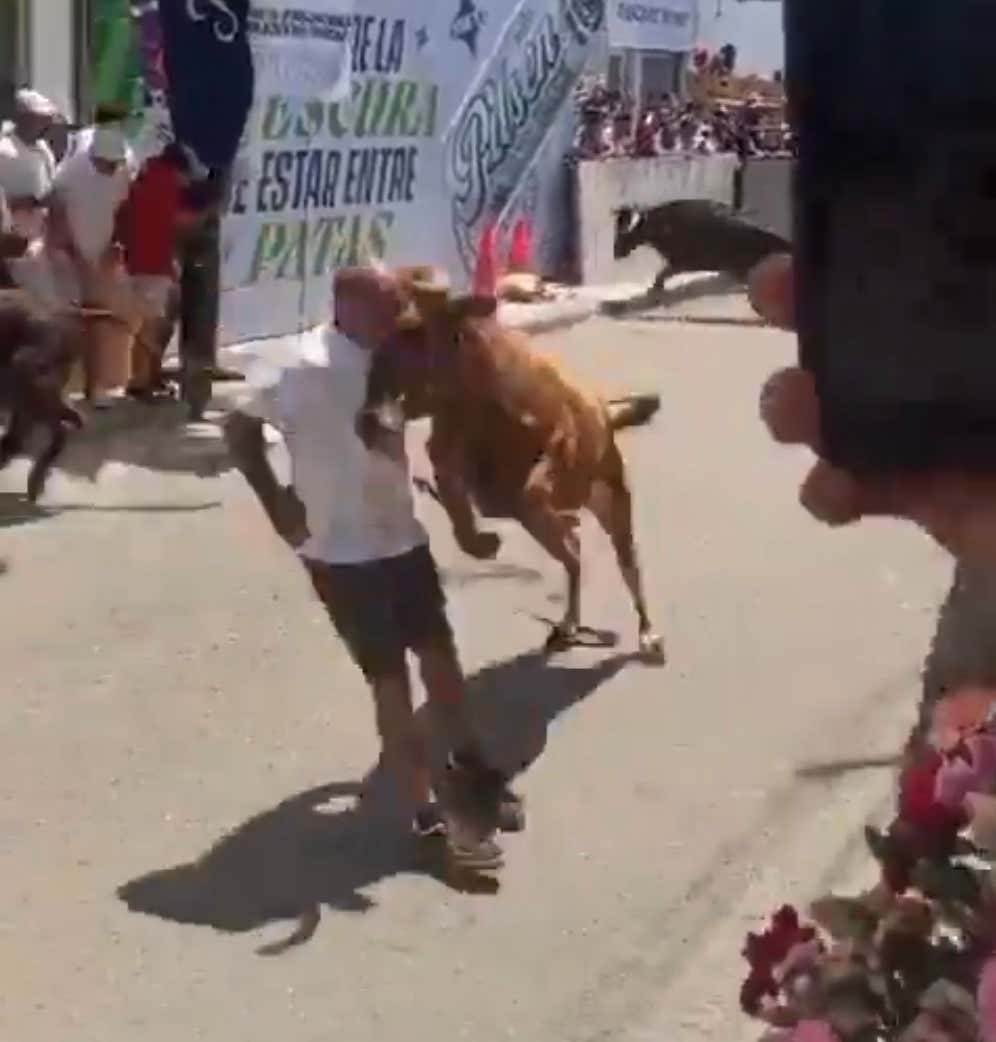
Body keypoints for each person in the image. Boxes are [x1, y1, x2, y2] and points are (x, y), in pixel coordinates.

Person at [224, 266, 524, 870]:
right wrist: (274, 497)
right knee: (391, 683)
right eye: (390, 304)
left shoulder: (392, 358)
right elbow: (239, 426)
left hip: (400, 539)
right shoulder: (299, 365)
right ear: (350, 306)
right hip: (343, 553)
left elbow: (423, 398)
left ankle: (469, 766)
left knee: (441, 658)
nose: (400, 313)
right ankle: (424, 815)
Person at [47, 122, 135, 407]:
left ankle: (96, 387)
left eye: (115, 164)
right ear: (93, 158)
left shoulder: (126, 165)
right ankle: (59, 392)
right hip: (68, 253)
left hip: (103, 251)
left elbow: (126, 210)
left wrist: (116, 244)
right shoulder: (71, 173)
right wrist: (71, 253)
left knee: (100, 322)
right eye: (105, 165)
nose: (111, 169)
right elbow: (56, 214)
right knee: (69, 323)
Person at [118, 143, 193, 400]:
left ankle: (147, 376)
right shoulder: (167, 185)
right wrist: (208, 212)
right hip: (154, 265)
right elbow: (178, 222)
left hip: (137, 261)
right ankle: (141, 382)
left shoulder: (144, 177)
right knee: (151, 325)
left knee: (148, 323)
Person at [0, 89, 58, 242]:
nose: (46, 123)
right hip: (11, 238)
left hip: (41, 236)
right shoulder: (4, 150)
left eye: (47, 119)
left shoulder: (44, 148)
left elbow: (51, 185)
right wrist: (21, 203)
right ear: (23, 118)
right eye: (39, 118)